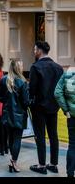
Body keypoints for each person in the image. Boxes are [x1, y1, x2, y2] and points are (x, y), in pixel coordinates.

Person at [29, 41, 64, 175]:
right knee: (53, 135)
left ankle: (42, 164)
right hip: (53, 106)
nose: (34, 52)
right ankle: (53, 164)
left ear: (39, 51)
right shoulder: (58, 67)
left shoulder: (36, 67)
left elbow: (32, 89)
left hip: (39, 106)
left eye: (35, 49)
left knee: (40, 136)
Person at [0, 59, 30, 173]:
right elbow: (26, 102)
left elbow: (0, 97)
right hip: (19, 115)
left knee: (10, 138)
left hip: (6, 113)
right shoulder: (22, 82)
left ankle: (12, 160)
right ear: (18, 68)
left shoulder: (3, 80)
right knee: (17, 139)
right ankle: (14, 161)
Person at [54, 66, 75, 178]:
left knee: (72, 145)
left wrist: (66, 109)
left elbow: (57, 92)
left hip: (71, 116)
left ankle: (70, 173)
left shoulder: (67, 73)